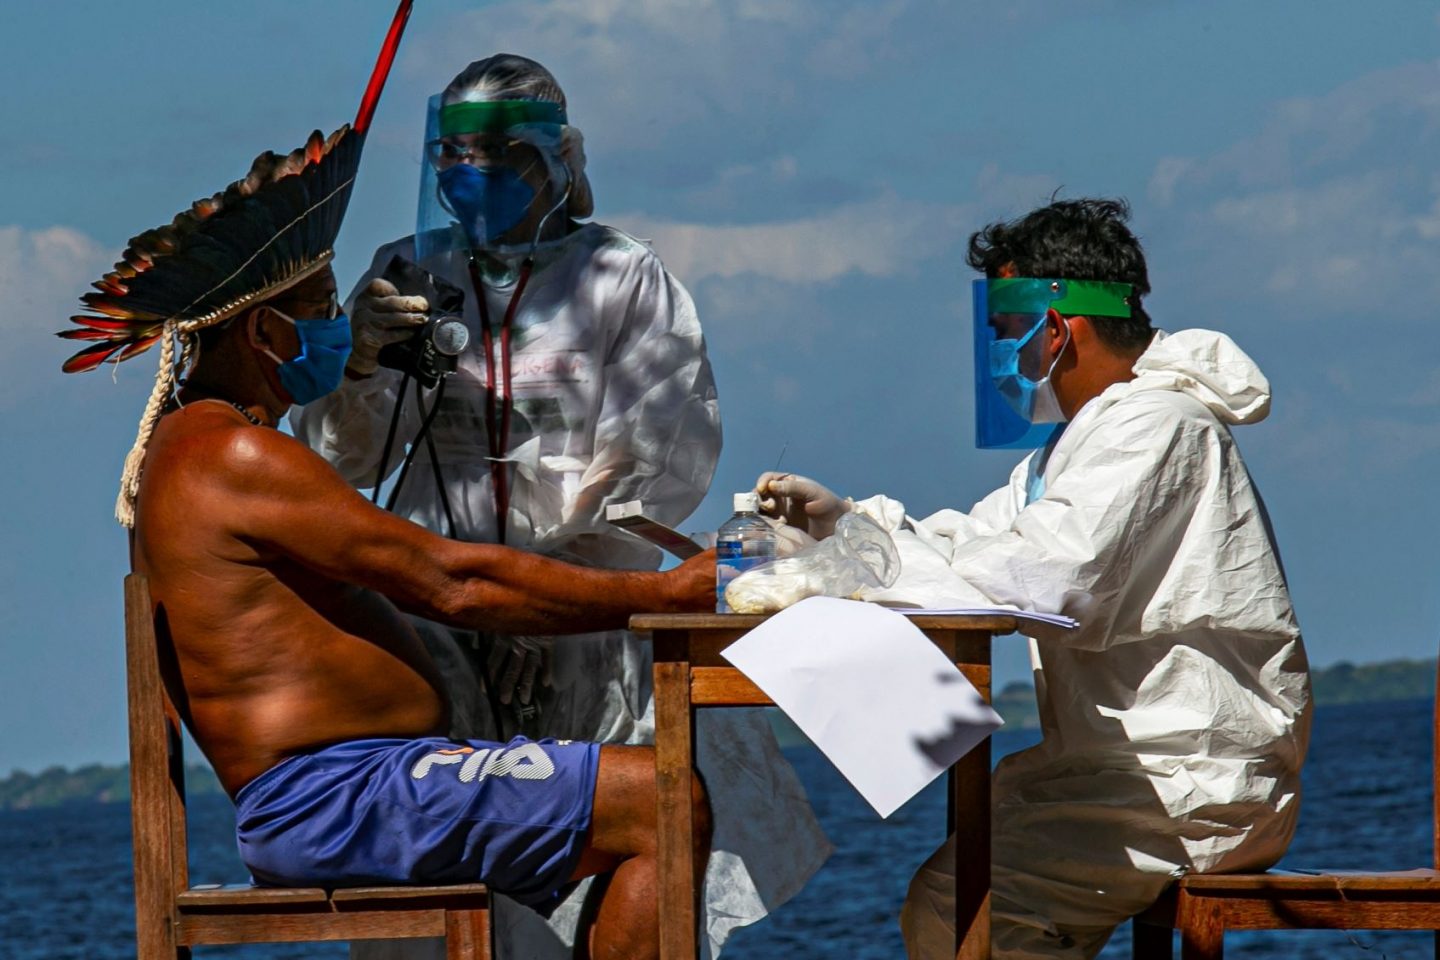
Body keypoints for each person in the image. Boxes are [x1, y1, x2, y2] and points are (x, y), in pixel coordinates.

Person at [59, 118, 719, 960]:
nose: (341, 326)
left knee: (624, 796)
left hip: (356, 784)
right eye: (323, 307)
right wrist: (661, 596)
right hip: (334, 798)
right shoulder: (231, 451)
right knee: (657, 799)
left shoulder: (204, 445)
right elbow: (448, 579)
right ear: (265, 334)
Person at [292, 54, 829, 958]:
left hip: (587, 628)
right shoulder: (406, 272)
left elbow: (658, 460)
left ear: (559, 158)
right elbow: (343, 459)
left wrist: (540, 606)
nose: (471, 174)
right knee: (450, 888)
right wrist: (361, 363)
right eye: (452, 154)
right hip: (433, 632)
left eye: (497, 155)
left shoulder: (622, 278)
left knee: (616, 860)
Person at [755, 198, 1311, 959]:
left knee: (961, 908)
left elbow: (1037, 578)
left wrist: (856, 563)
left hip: (1195, 778)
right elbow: (977, 545)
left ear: (1055, 330)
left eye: (1004, 331)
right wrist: (845, 525)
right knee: (963, 883)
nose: (997, 354)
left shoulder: (1158, 428)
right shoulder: (1065, 454)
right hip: (1126, 772)